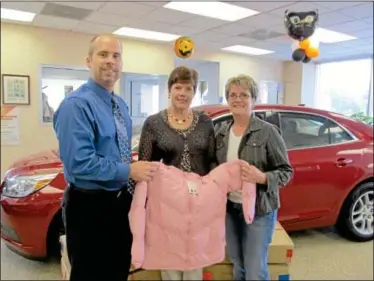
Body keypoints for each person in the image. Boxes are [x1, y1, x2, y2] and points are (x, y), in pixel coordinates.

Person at [53, 34, 158, 281]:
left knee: (118, 268)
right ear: (88, 61)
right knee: (91, 274)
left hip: (119, 203)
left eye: (116, 56)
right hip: (89, 207)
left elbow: (117, 151)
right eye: (103, 54)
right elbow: (80, 164)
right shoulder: (76, 105)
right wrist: (129, 171)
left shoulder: (120, 105)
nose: (110, 61)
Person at [136, 66, 216, 281]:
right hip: (167, 202)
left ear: (194, 92)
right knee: (170, 256)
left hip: (199, 201)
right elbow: (145, 165)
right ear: (169, 90)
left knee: (194, 255)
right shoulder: (153, 123)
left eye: (188, 88)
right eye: (178, 87)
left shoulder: (206, 122)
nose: (183, 93)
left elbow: (212, 161)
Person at [215, 75, 294, 281]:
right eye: (233, 95)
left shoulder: (268, 132)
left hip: (260, 210)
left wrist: (262, 177)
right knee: (237, 264)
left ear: (253, 99)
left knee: (255, 270)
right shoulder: (221, 133)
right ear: (227, 99)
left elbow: (286, 172)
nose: (238, 99)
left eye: (244, 95)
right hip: (230, 210)